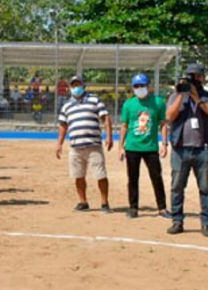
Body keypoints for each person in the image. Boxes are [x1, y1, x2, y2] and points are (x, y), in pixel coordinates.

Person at [166, 63, 208, 236]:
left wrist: (198, 99)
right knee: (177, 187)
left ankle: (206, 223)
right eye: (190, 76)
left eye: (196, 76)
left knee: (206, 188)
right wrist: (182, 95)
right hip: (180, 149)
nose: (193, 79)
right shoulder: (176, 95)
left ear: (203, 78)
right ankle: (177, 221)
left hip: (202, 149)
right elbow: (169, 116)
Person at [56, 75, 113, 212]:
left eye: (78, 85)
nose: (76, 88)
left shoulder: (94, 100)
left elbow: (106, 118)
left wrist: (109, 136)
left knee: (101, 175)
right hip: (75, 147)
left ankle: (104, 203)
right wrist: (59, 144)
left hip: (93, 145)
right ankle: (83, 202)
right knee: (78, 175)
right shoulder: (66, 106)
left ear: (84, 86)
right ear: (70, 88)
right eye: (73, 85)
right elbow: (63, 125)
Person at [119, 73, 168, 220]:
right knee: (132, 178)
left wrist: (164, 143)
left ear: (149, 86)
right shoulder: (129, 104)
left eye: (142, 85)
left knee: (156, 177)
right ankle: (133, 208)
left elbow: (163, 124)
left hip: (151, 148)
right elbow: (124, 126)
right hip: (132, 147)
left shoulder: (158, 102)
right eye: (136, 86)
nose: (140, 88)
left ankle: (162, 208)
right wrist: (120, 146)